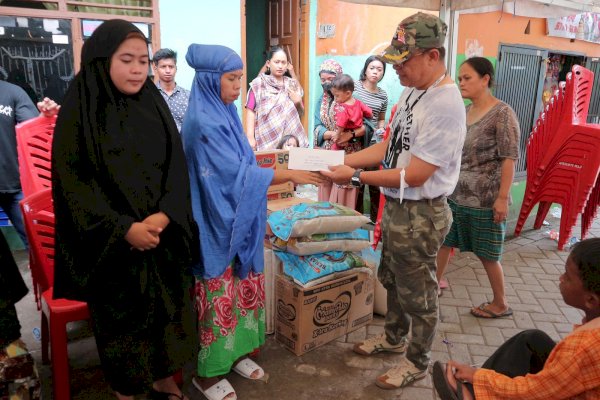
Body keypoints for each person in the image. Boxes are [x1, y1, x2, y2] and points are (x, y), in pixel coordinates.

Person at [51, 19, 198, 400]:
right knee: (123, 322)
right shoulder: (80, 110)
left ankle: (165, 378)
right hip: (113, 247)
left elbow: (176, 166)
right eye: (127, 59)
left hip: (161, 236)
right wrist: (123, 229)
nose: (138, 69)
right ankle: (127, 390)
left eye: (143, 60)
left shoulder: (153, 102)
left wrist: (165, 215)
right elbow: (74, 186)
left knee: (168, 313)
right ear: (103, 59)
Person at [321, 12, 466, 389]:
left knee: (419, 293)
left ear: (433, 56)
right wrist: (341, 160)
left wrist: (353, 175)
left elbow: (416, 174)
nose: (396, 69)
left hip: (421, 212)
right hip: (399, 208)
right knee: (395, 281)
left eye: (405, 60)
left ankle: (417, 361)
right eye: (395, 60)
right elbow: (389, 146)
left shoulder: (446, 104)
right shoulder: (413, 92)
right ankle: (392, 339)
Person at [182, 43, 323, 400]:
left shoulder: (225, 112)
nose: (237, 86)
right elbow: (232, 175)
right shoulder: (203, 122)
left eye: (241, 78)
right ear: (210, 80)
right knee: (219, 293)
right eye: (231, 79)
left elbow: (244, 164)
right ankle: (209, 374)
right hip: (216, 223)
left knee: (243, 287)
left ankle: (238, 354)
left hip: (237, 218)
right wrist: (289, 173)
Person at [433, 237, 600, 400]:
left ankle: (472, 394)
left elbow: (532, 392)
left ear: (591, 300)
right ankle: (474, 392)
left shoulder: (582, 347)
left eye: (568, 277)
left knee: (510, 383)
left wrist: (478, 376)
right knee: (532, 340)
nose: (561, 278)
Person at [435, 57, 520, 312]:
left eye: (467, 78)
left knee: (487, 253)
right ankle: (433, 285)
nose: (461, 83)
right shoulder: (465, 111)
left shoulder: (502, 113)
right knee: (443, 242)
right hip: (456, 196)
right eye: (459, 78)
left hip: (486, 200)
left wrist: (502, 198)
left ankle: (501, 303)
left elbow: (509, 158)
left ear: (486, 79)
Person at [0, 79, 60, 249]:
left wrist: (46, 116)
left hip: (14, 186)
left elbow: (33, 129)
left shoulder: (12, 92)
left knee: (40, 243)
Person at [314, 59, 372, 210]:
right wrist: (333, 134)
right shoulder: (321, 101)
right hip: (328, 152)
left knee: (345, 194)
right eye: (323, 79)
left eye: (330, 79)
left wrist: (350, 134)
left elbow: (367, 126)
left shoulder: (353, 99)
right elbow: (317, 127)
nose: (326, 83)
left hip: (350, 152)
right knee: (326, 194)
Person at [245, 46, 308, 151]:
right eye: (277, 62)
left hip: (290, 139)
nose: (280, 66)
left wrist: (297, 102)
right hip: (267, 137)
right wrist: (250, 137)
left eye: (283, 63)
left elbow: (301, 113)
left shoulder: (291, 84)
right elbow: (250, 110)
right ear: (269, 64)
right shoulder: (259, 84)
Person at [353, 55, 388, 222]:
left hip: (374, 144)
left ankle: (375, 222)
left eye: (379, 69)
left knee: (375, 184)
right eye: (372, 68)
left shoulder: (383, 95)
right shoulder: (354, 88)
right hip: (356, 143)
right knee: (356, 183)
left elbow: (380, 118)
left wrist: (381, 128)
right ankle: (356, 220)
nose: (375, 72)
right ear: (366, 70)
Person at [329, 73, 372, 151]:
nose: (335, 98)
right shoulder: (358, 102)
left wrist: (337, 134)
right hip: (357, 136)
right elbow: (369, 112)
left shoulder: (343, 108)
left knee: (335, 147)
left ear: (348, 93)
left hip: (345, 132)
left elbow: (341, 124)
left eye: (337, 95)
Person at [153, 48, 190, 133]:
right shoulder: (150, 96)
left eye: (171, 67)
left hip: (183, 144)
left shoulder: (188, 96)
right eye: (163, 67)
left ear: (176, 68)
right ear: (156, 69)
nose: (168, 71)